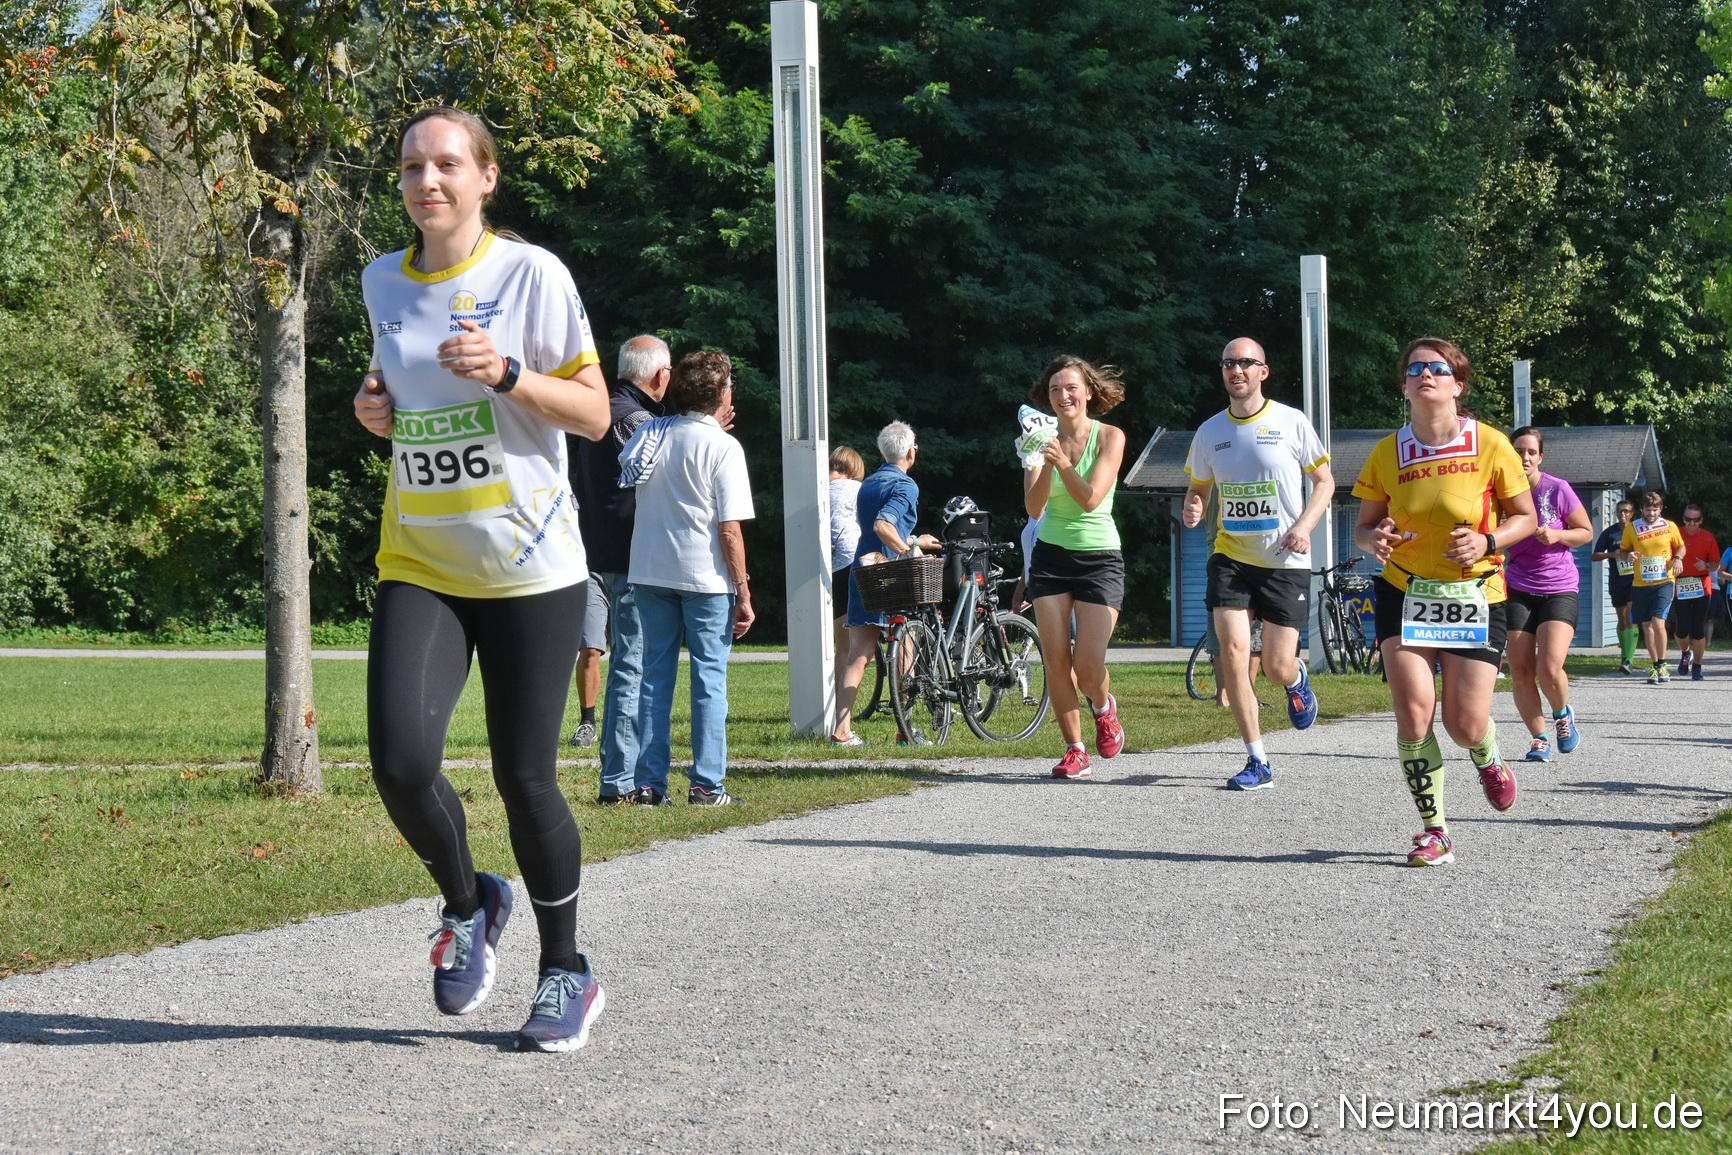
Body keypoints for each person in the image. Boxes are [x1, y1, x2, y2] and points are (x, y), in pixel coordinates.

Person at [352, 105, 609, 1050]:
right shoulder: (383, 279)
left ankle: (566, 970)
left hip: (531, 565)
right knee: (401, 762)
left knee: (525, 778)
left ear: (485, 177)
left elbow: (591, 414)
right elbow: (398, 391)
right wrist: (374, 407)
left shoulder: (531, 274)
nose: (428, 181)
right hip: (419, 555)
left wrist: (506, 374)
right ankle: (471, 899)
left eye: (447, 165)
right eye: (413, 166)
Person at [1352, 338, 1536, 867]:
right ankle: (1435, 831)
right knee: (1413, 714)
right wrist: (1374, 540)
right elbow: (1365, 529)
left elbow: (1524, 517)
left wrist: (1488, 541)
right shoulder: (1387, 451)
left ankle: (1487, 753)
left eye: (1437, 369)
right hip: (1404, 589)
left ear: (1458, 384)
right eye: (1415, 369)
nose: (1425, 375)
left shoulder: (1493, 444)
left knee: (1464, 724)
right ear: (1404, 386)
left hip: (1474, 593)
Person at [1182, 338, 1333, 789]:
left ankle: (1296, 678)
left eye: (1246, 363)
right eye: (1229, 363)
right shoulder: (1209, 431)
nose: (1237, 370)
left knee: (1274, 667)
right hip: (1230, 558)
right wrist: (1193, 506)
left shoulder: (1291, 421)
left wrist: (1305, 526)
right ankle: (1257, 761)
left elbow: (1324, 482)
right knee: (1232, 657)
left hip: (1285, 560)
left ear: (1263, 372)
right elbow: (1199, 492)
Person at [619, 350, 755, 805]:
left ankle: (649, 785)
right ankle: (705, 784)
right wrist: (744, 590)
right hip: (706, 576)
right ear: (721, 393)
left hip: (650, 569)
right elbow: (730, 530)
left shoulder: (652, 432)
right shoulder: (723, 447)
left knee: (653, 679)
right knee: (708, 680)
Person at [568, 337, 671, 795]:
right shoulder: (637, 419)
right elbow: (667, 477)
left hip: (594, 548)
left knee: (620, 660)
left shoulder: (597, 408)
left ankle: (617, 768)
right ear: (658, 374)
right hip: (630, 555)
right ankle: (619, 777)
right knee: (631, 664)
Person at [1024, 355, 1129, 780]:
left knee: (1087, 665)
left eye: (1070, 388)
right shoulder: (1039, 443)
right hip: (1050, 557)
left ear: (1088, 392)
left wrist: (1064, 463)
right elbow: (1034, 509)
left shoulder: (1111, 437)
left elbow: (1090, 499)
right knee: (1055, 660)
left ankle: (1104, 708)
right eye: (1054, 389)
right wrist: (1046, 463)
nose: (1063, 395)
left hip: (1100, 559)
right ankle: (1075, 749)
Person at [829, 422, 943, 745]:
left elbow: (875, 527)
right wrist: (910, 551)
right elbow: (882, 525)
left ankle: (842, 731)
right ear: (911, 453)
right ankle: (904, 730)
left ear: (882, 452)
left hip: (860, 569)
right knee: (905, 646)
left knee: (858, 654)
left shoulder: (867, 484)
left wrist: (910, 538)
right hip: (891, 574)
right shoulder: (907, 486)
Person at [1502, 427, 1593, 761]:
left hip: (1559, 587)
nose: (1523, 457)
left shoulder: (1557, 489)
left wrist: (1557, 535)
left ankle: (1562, 715)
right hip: (1518, 587)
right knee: (1521, 669)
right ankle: (1539, 738)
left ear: (1540, 457)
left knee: (1549, 667)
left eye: (1530, 452)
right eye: (1517, 451)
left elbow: (1585, 532)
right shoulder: (1501, 493)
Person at [1617, 490, 1685, 684]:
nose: (1652, 513)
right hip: (1640, 583)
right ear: (1642, 509)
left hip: (1664, 581)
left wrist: (1678, 558)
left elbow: (1681, 546)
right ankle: (1655, 666)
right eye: (1648, 509)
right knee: (1647, 626)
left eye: (1655, 509)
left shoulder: (1669, 526)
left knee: (1658, 622)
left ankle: (1662, 665)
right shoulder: (1632, 528)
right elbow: (1622, 552)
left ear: (1660, 509)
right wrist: (1627, 556)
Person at [828, 446, 866, 708]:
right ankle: (845, 713)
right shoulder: (856, 489)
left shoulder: (814, 490)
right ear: (852, 471)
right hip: (854, 561)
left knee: (842, 647)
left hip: (827, 568)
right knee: (860, 646)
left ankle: (834, 709)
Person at [1670, 504, 1719, 681]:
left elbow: (1716, 565)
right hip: (1680, 585)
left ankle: (1697, 665)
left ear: (1701, 520)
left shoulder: (1708, 538)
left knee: (1698, 629)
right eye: (1688, 519)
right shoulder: (1676, 534)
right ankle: (1685, 653)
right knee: (1682, 629)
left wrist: (1705, 565)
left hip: (1701, 586)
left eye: (1695, 520)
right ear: (1683, 520)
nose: (1692, 523)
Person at [1590, 499, 1638, 674]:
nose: (1622, 514)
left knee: (1631, 617)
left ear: (1632, 513)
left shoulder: (1638, 531)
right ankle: (1624, 655)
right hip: (1617, 581)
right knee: (1623, 619)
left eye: (1626, 511)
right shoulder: (1609, 533)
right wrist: (1612, 554)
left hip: (1636, 580)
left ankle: (1629, 660)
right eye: (1619, 511)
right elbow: (1595, 556)